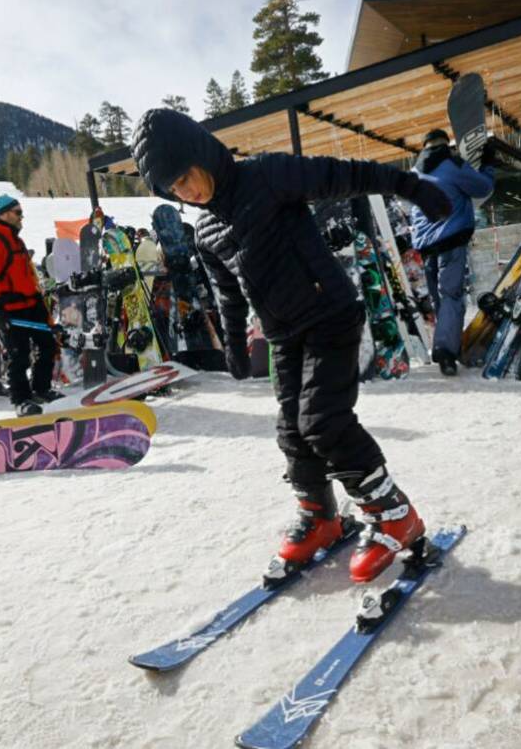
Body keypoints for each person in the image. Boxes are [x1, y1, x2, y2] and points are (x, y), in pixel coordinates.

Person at [131, 108, 452, 583]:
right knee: (292, 432)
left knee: (323, 422)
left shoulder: (266, 176)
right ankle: (320, 517)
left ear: (200, 155)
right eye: (174, 190)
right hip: (284, 336)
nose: (187, 193)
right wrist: (235, 348)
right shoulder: (206, 232)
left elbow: (347, 175)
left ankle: (393, 513)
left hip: (329, 316)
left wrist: (415, 188)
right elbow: (226, 292)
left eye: (185, 178)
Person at [408, 128, 495, 376]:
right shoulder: (452, 165)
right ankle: (446, 352)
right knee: (452, 296)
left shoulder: (415, 172)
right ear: (446, 144)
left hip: (425, 246)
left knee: (440, 299)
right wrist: (488, 163)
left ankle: (447, 344)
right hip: (450, 241)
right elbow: (482, 188)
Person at [0, 194, 59, 415]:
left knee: (48, 346)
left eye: (21, 212)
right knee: (19, 356)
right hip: (10, 309)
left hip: (31, 303)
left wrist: (38, 298)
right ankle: (21, 399)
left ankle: (41, 388)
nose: (22, 217)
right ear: (3, 214)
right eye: (17, 212)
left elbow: (26, 274)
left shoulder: (16, 240)